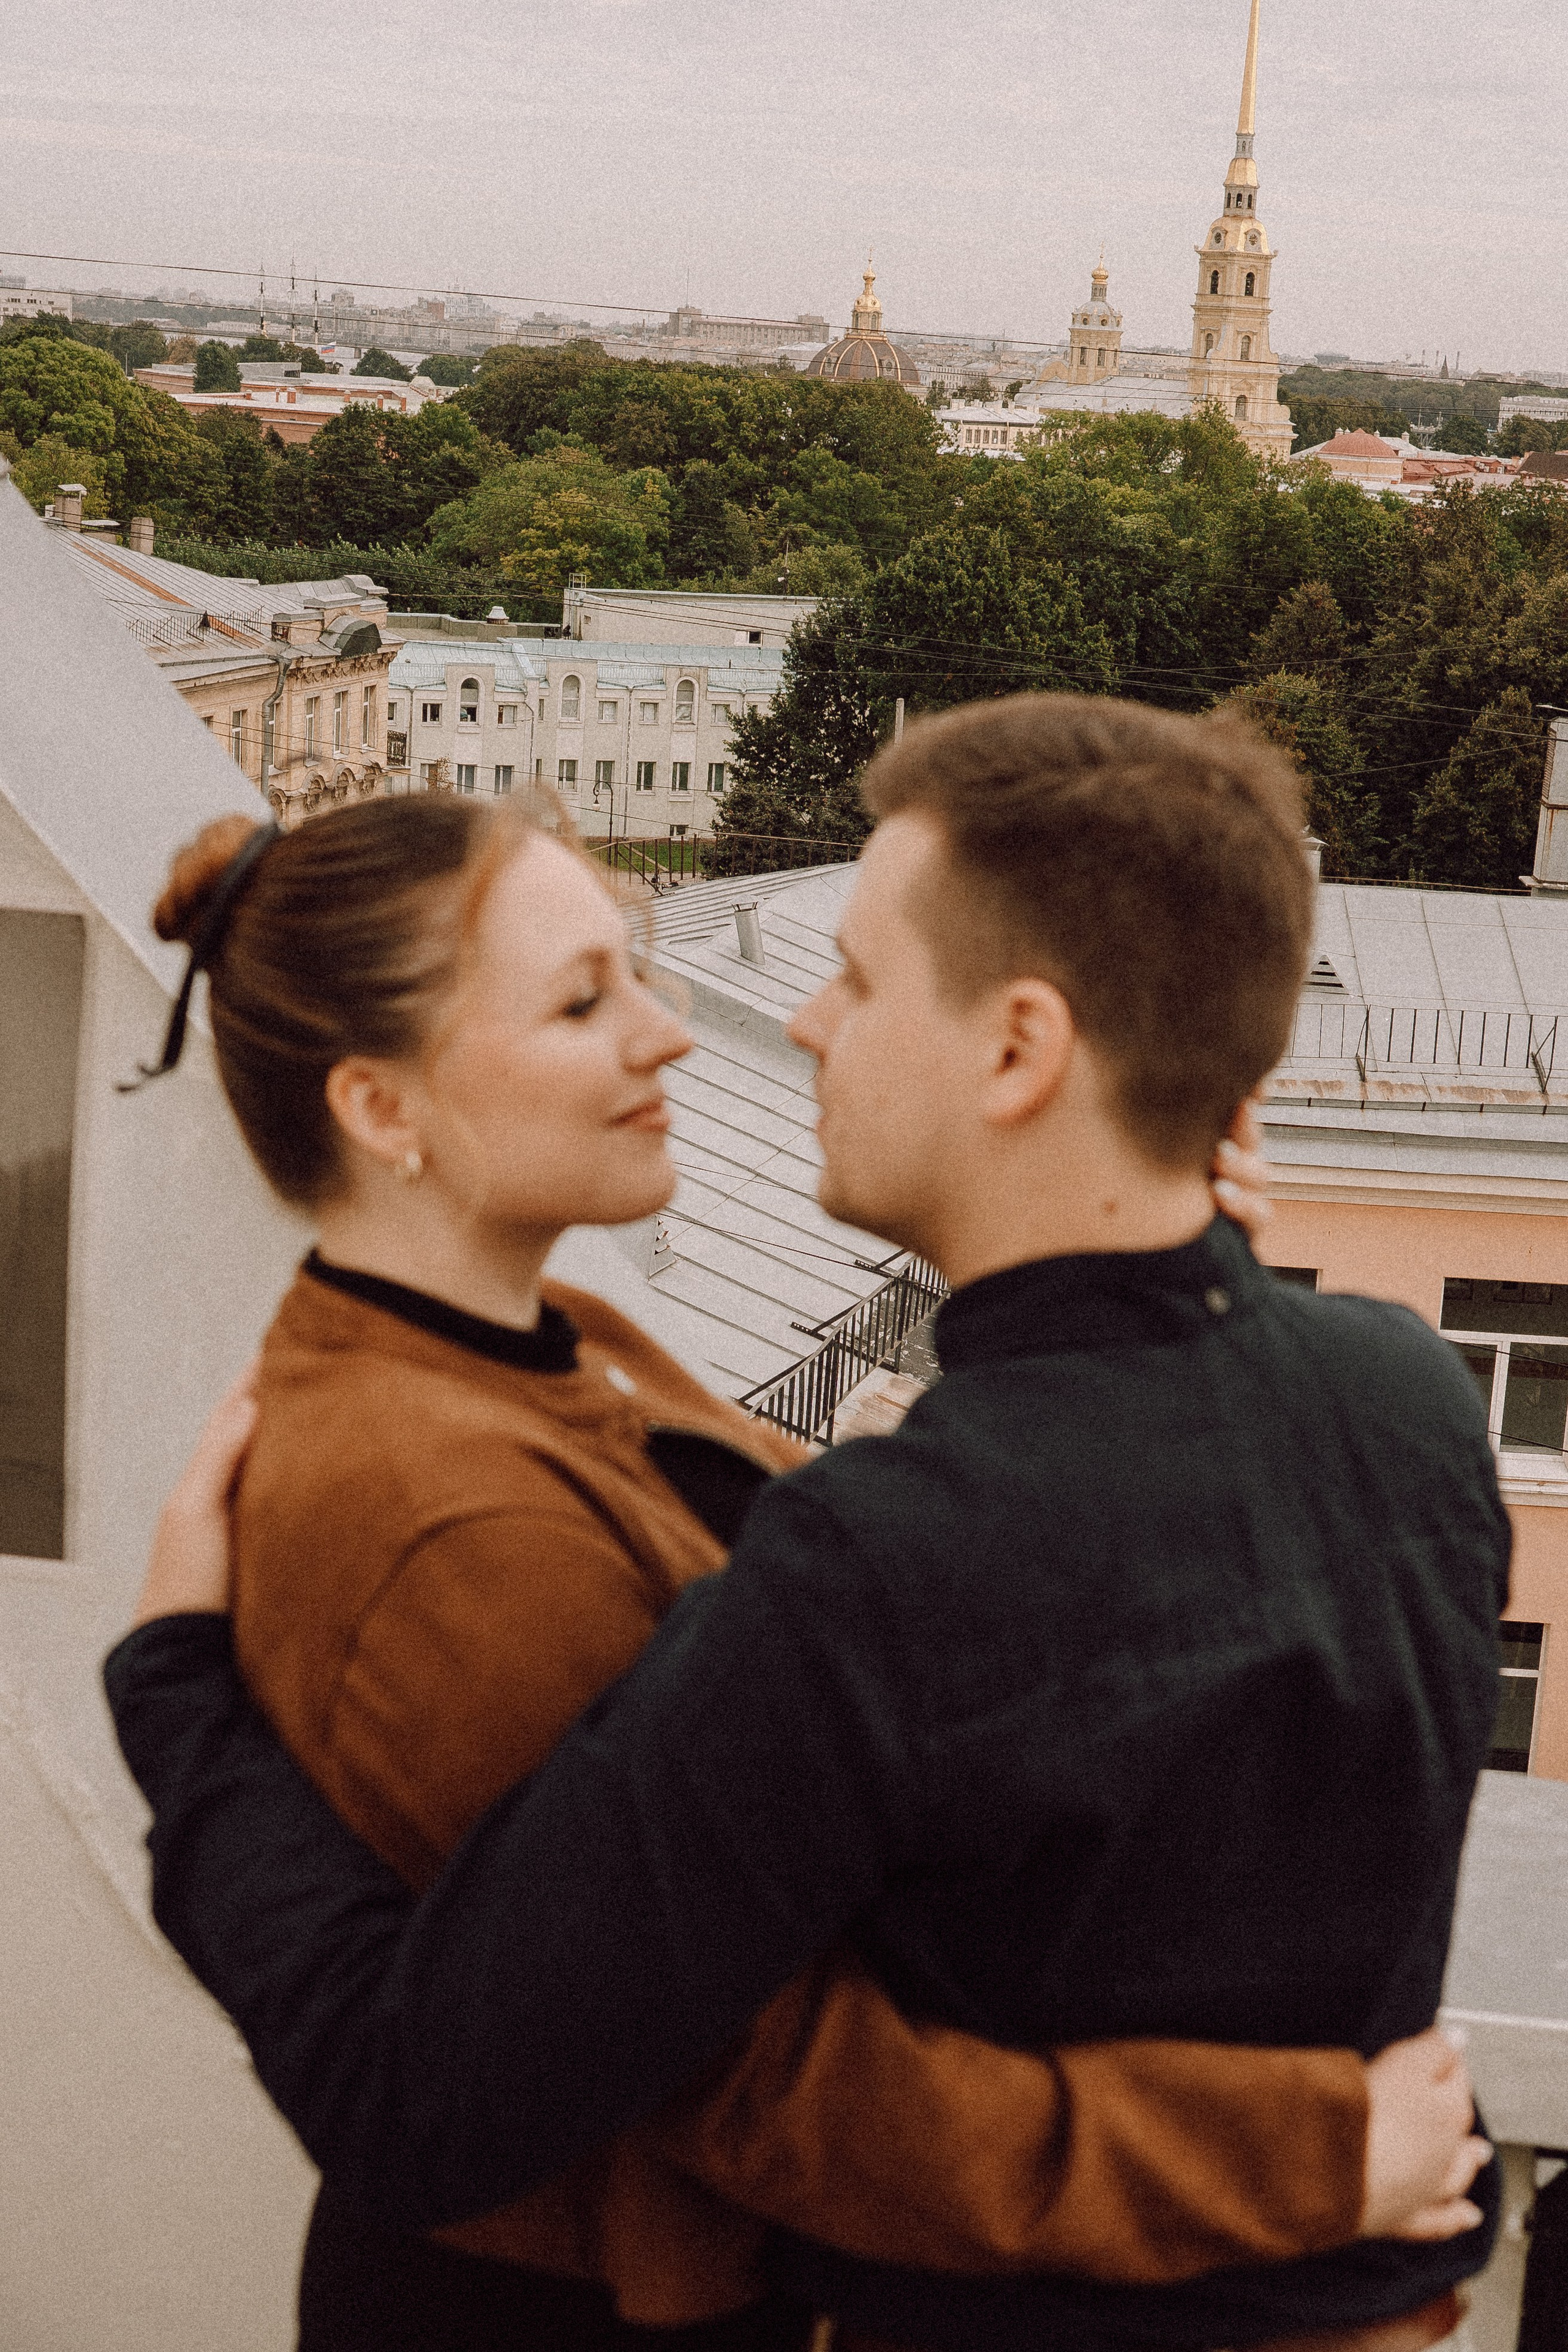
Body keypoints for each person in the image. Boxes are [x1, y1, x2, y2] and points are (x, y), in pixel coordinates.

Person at [107, 700, 1509, 2352]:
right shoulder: (1411, 1392)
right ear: (378, 1105)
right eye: (587, 995)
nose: (768, 1027)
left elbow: (491, 2067)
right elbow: (681, 2067)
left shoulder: (861, 1538)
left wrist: (177, 1700)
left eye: (853, 976)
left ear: (1020, 1050)